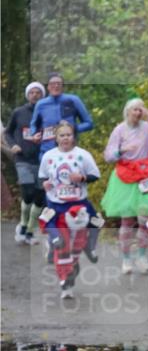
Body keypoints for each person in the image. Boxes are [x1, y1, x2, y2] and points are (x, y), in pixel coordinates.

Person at [101, 98, 148, 274]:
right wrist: (121, 151)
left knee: (145, 220)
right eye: (135, 109)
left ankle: (141, 257)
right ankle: (126, 260)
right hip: (125, 176)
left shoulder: (147, 127)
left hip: (145, 175)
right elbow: (108, 156)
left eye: (141, 110)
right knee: (127, 220)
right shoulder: (119, 129)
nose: (138, 113)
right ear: (128, 111)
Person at [37, 121, 102, 299]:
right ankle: (64, 281)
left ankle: (90, 247)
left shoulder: (83, 155)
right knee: (62, 244)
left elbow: (95, 175)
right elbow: (42, 178)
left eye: (68, 135)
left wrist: (82, 178)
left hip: (79, 204)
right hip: (57, 205)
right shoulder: (49, 156)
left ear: (73, 137)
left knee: (98, 222)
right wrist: (44, 184)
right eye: (62, 135)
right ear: (56, 138)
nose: (65, 138)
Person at [4, 81, 46, 245]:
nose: (34, 95)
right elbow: (7, 133)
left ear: (42, 95)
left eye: (38, 92)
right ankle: (22, 224)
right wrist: (13, 145)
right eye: (31, 92)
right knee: (28, 191)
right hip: (23, 159)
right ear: (27, 95)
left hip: (43, 161)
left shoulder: (47, 112)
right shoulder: (19, 112)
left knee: (39, 197)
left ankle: (29, 231)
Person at [29, 73, 94, 158]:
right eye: (52, 84)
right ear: (48, 86)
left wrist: (72, 128)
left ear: (63, 87)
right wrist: (34, 134)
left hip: (69, 151)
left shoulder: (73, 100)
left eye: (59, 84)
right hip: (47, 151)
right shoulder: (41, 104)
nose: (56, 86)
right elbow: (33, 124)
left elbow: (89, 123)